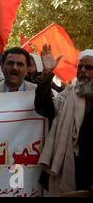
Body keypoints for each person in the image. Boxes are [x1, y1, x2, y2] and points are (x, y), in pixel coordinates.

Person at [36, 45, 93, 194]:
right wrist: (47, 74)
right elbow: (43, 108)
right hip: (68, 170)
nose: (83, 71)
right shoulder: (67, 94)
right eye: (80, 67)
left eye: (89, 67)